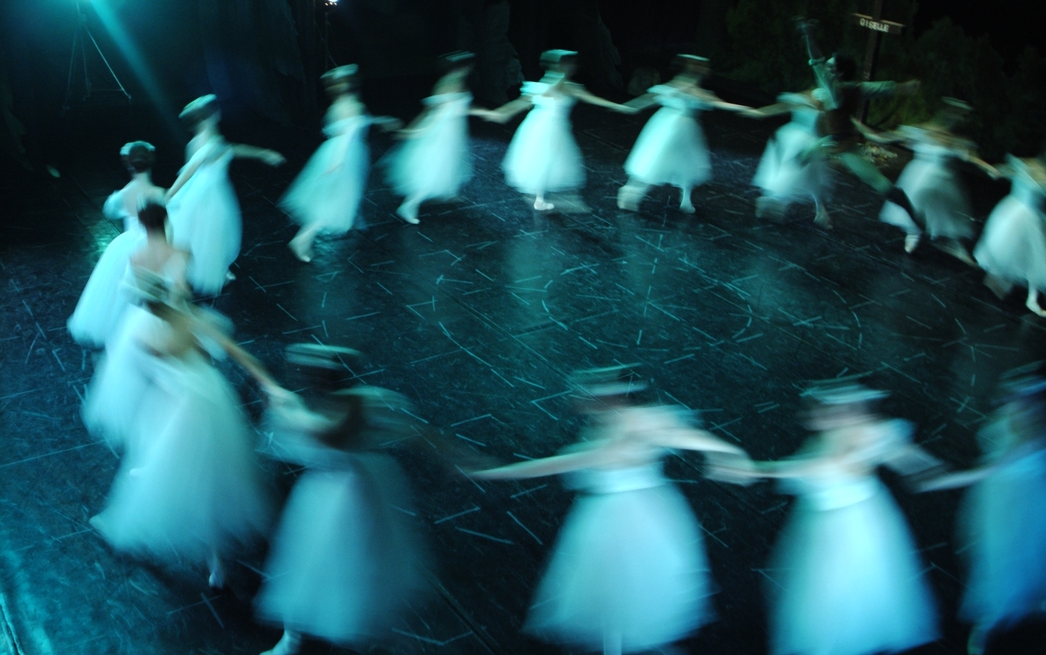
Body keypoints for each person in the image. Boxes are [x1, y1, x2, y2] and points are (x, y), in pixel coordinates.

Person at [470, 366, 750, 655]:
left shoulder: (639, 421)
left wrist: (727, 452)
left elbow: (683, 436)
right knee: (612, 591)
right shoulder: (599, 429)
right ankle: (625, 642)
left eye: (592, 396)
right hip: (609, 516)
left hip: (634, 518)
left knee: (627, 586)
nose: (583, 403)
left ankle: (631, 641)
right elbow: (554, 465)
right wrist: (495, 473)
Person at [710, 380, 943, 655]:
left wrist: (758, 470)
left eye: (821, 409)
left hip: (854, 527)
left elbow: (824, 466)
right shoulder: (821, 439)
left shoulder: (865, 435)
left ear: (846, 410)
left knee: (841, 595)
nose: (811, 415)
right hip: (821, 526)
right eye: (814, 409)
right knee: (819, 598)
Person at [89, 272, 284, 589]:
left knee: (185, 477)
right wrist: (269, 385)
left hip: (183, 407)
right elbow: (229, 355)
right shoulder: (187, 320)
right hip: (206, 398)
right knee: (213, 478)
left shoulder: (145, 331)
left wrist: (270, 386)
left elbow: (146, 369)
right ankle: (216, 561)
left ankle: (212, 557)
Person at [254, 378, 431, 655]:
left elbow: (310, 431)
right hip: (348, 493)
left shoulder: (335, 422)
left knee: (317, 565)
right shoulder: (364, 404)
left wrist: (283, 407)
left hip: (336, 502)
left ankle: (299, 638)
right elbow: (414, 431)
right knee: (319, 566)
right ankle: (296, 638)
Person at [918, 367, 1046, 655]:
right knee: (993, 557)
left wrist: (938, 481)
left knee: (1012, 561)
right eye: (1010, 396)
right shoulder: (1006, 418)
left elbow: (989, 470)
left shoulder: (1033, 438)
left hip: (1019, 507)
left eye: (1020, 399)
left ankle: (999, 619)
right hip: (996, 502)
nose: (1009, 403)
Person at [81, 202, 190, 459]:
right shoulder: (179, 252)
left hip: (140, 317)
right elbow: (180, 289)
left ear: (142, 225)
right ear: (165, 221)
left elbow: (128, 291)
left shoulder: (137, 254)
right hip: (169, 316)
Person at [476, 50, 635, 212]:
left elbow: (593, 99)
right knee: (542, 160)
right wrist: (501, 113)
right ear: (561, 65)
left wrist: (617, 106)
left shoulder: (564, 86)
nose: (573, 67)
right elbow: (520, 103)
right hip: (540, 128)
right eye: (569, 64)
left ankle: (543, 198)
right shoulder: (553, 85)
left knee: (548, 161)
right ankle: (542, 199)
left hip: (550, 129)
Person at [165, 95, 285, 293]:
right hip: (206, 197)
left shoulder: (212, 139)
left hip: (213, 192)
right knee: (209, 233)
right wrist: (171, 194)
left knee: (210, 233)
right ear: (210, 117)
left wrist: (262, 153)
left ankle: (215, 267)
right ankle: (208, 270)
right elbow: (189, 171)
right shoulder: (205, 142)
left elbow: (231, 149)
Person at [281, 65, 401, 262]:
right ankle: (303, 238)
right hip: (344, 156)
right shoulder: (349, 106)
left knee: (341, 196)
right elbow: (348, 134)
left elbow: (356, 123)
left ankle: (353, 218)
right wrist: (338, 161)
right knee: (333, 202)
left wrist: (381, 120)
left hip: (334, 153)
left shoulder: (340, 105)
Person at [795, 19, 920, 201]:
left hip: (845, 146)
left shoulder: (834, 90)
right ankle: (809, 196)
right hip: (834, 140)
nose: (827, 70)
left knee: (880, 183)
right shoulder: (854, 87)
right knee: (802, 157)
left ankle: (911, 212)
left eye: (831, 67)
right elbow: (881, 87)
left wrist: (809, 35)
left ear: (838, 72)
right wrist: (903, 87)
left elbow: (817, 62)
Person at [617, 55, 751, 214]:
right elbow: (656, 96)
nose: (703, 69)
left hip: (685, 131)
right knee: (655, 160)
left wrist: (741, 108)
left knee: (687, 164)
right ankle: (632, 191)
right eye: (699, 66)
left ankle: (685, 198)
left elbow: (716, 102)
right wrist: (633, 106)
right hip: (668, 129)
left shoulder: (695, 87)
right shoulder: (682, 83)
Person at [67, 141, 167, 347]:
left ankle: (122, 327)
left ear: (129, 165)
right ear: (151, 163)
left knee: (120, 290)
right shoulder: (158, 194)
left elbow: (110, 212)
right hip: (150, 244)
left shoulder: (122, 196)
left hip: (127, 243)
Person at [878, 98, 997, 263]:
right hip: (917, 176)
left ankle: (950, 243)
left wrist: (989, 168)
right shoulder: (924, 129)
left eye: (961, 117)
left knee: (941, 213)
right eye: (956, 115)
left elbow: (971, 158)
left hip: (942, 181)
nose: (957, 119)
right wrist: (872, 135)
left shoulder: (954, 140)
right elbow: (893, 136)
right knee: (916, 201)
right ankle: (914, 232)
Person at [386, 52, 482, 224]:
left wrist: (484, 112)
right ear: (465, 66)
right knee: (434, 168)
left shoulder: (458, 82)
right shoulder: (448, 84)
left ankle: (450, 193)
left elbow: (461, 106)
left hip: (452, 130)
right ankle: (409, 205)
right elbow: (432, 111)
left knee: (448, 164)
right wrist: (414, 130)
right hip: (442, 132)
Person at [973, 154, 1046, 316]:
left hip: (1029, 218)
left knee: (1036, 258)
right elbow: (1000, 171)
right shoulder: (1025, 167)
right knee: (1021, 254)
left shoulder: (1032, 171)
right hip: (1016, 217)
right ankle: (1001, 281)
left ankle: (1032, 299)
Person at [747, 91, 832, 227]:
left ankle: (820, 211)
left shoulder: (824, 110)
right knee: (794, 175)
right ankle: (773, 200)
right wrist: (760, 113)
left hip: (810, 145)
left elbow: (826, 130)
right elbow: (781, 107)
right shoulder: (802, 101)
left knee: (813, 179)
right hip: (796, 142)